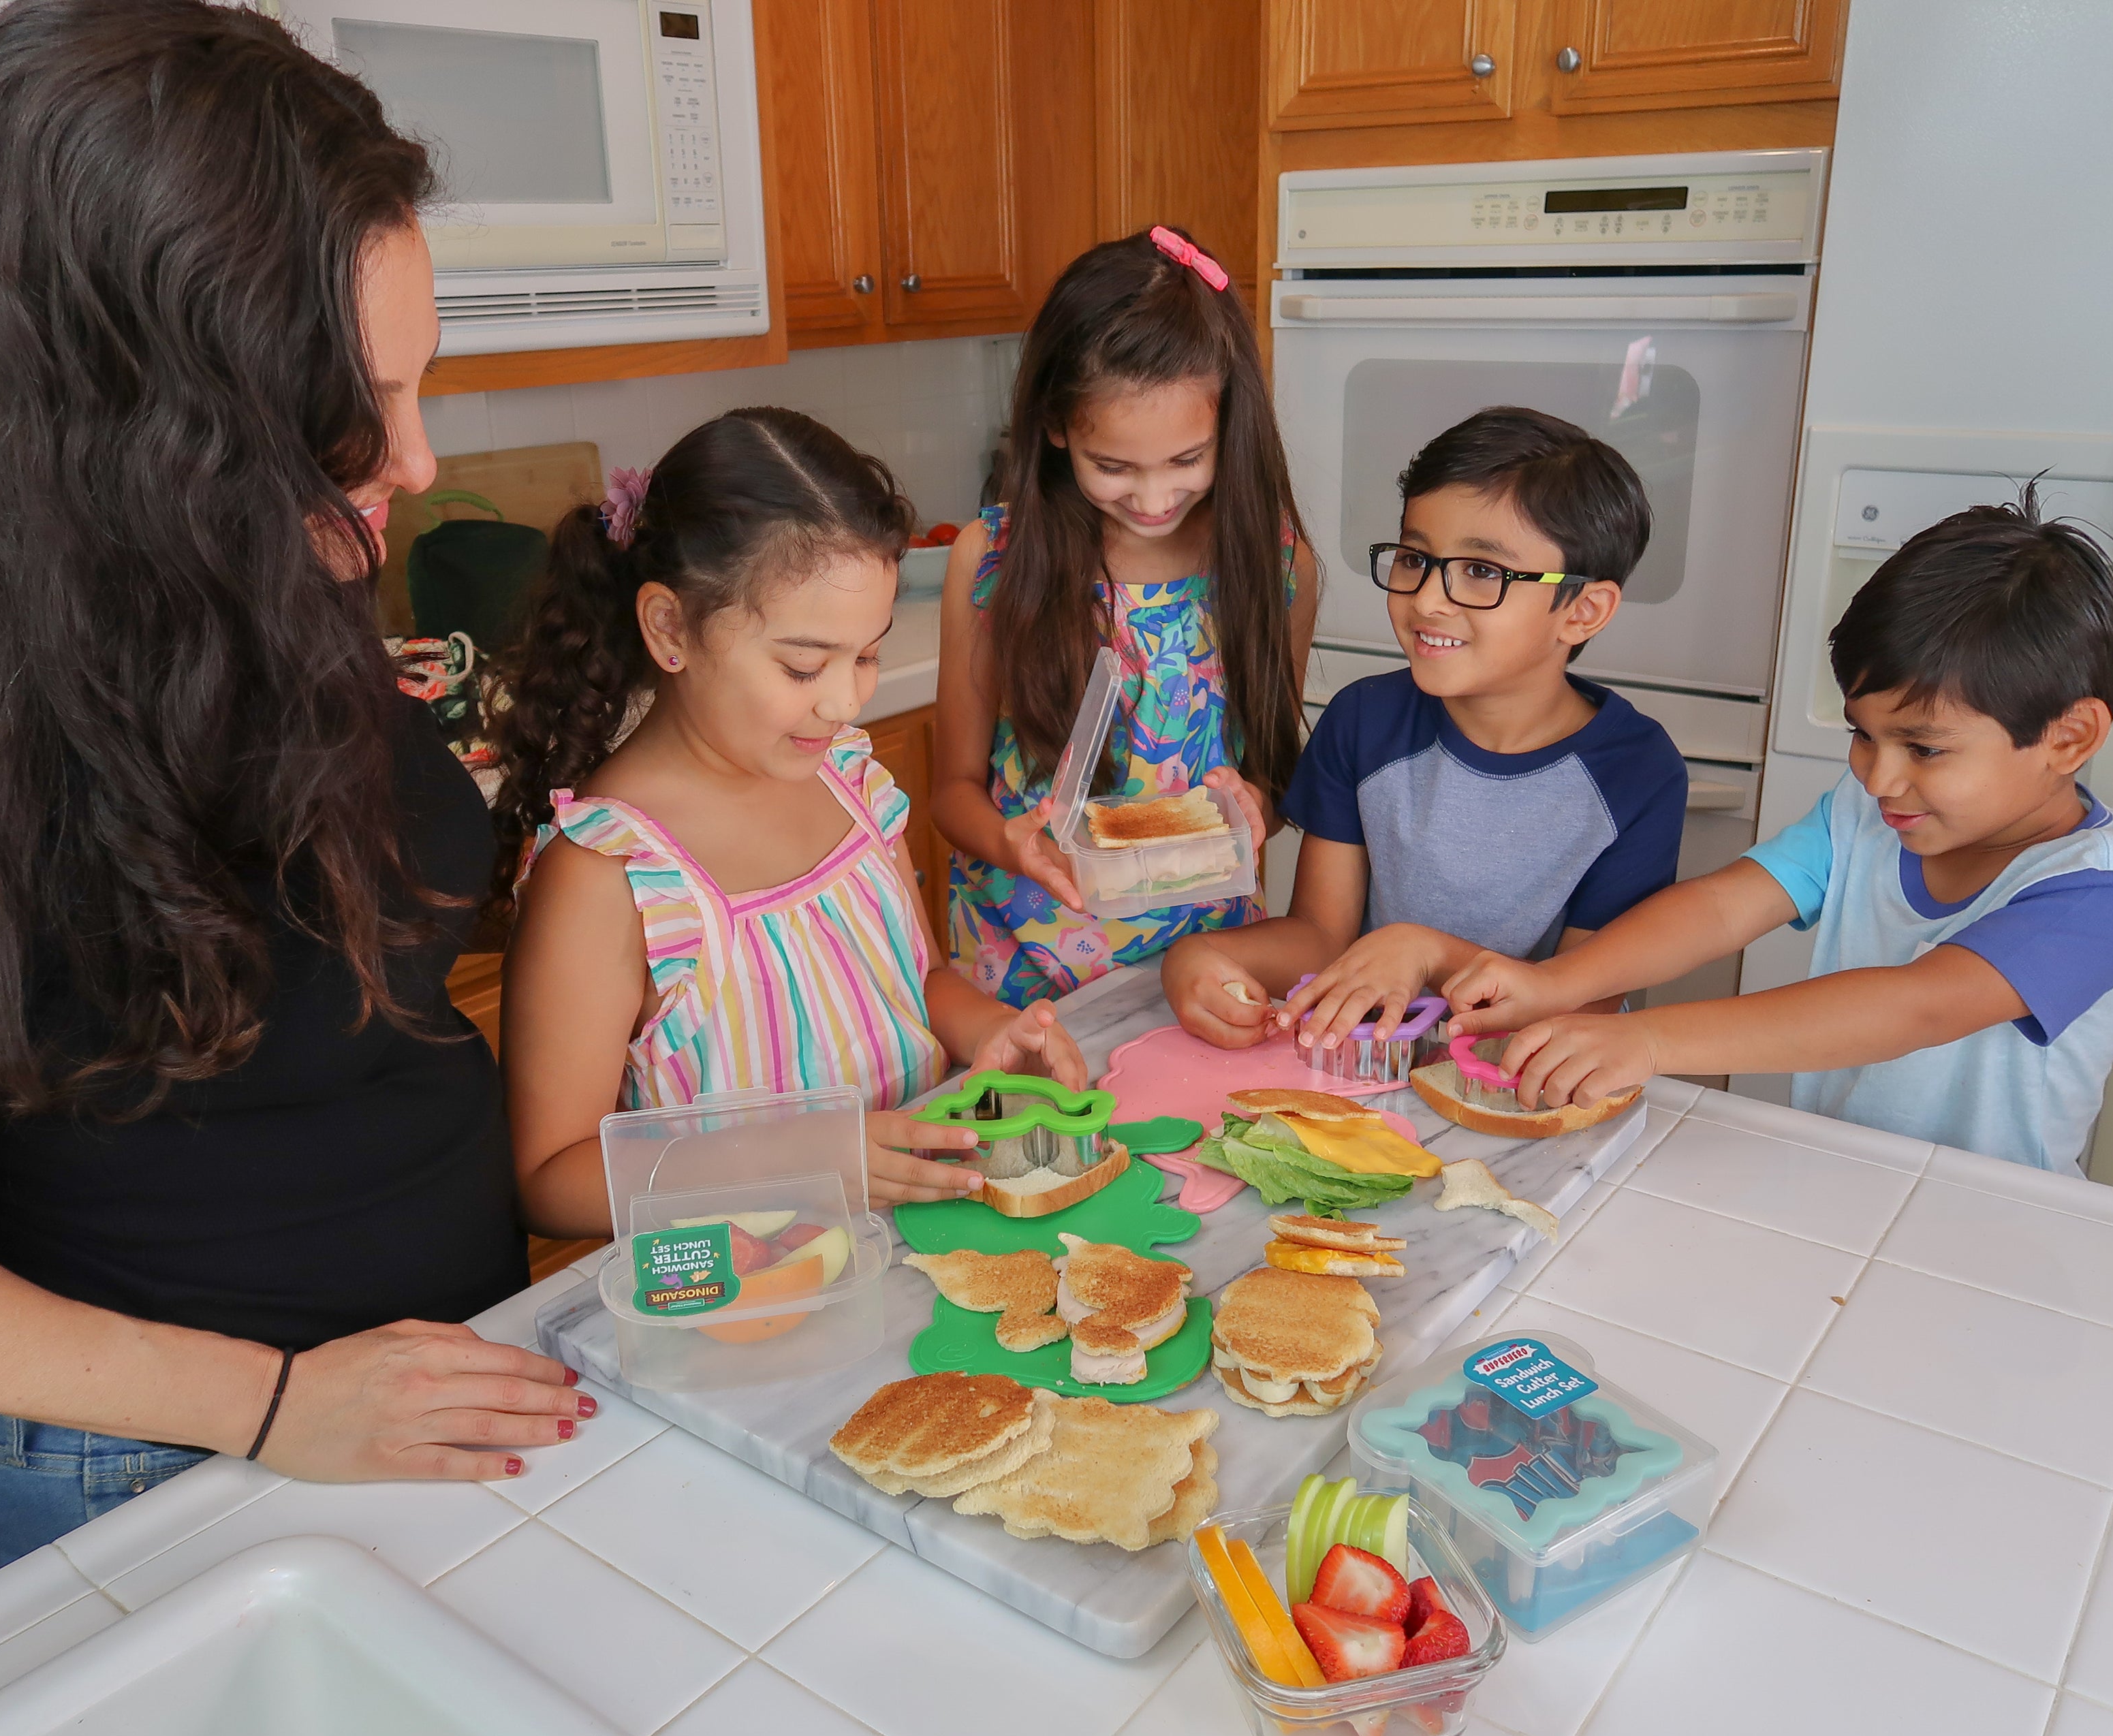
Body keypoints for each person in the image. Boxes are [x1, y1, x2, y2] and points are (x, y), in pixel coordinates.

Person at [0, 0, 590, 1585]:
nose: (414, 465)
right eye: (353, 421)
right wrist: (273, 1400)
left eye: (416, 388)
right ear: (146, 436)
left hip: (428, 1386)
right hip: (165, 1468)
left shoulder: (230, 575)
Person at [1447, 488, 2113, 1176]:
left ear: (2069, 736)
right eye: (1864, 735)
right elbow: (1723, 906)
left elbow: (1917, 1005)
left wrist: (1648, 1039)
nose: (1880, 777)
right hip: (1832, 1178)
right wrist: (1553, 983)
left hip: (1991, 1218)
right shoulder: (1867, 816)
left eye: (1924, 748)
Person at [490, 409, 1089, 1229]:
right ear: (671, 628)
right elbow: (551, 1183)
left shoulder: (849, 781)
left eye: (868, 654)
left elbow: (918, 985)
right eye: (804, 665)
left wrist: (999, 1032)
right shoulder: (608, 874)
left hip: (921, 1251)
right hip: (752, 1309)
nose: (845, 701)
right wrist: (800, 1162)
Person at [1162, 407, 1688, 1053]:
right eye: (1416, 557)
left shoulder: (1637, 771)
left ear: (1582, 610)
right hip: (1368, 1075)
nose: (1428, 599)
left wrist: (1424, 951)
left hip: (1524, 1081)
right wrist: (1202, 955)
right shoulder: (1365, 721)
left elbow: (1589, 996)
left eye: (1481, 572)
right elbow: (1322, 936)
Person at [933, 226, 1319, 1005]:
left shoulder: (1275, 567)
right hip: (1023, 975)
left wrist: (1259, 809)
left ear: (1230, 427)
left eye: (1186, 461)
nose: (1152, 499)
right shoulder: (992, 562)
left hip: (1209, 969)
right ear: (1054, 428)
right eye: (1112, 467)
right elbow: (951, 792)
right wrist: (1011, 842)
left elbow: (1272, 784)